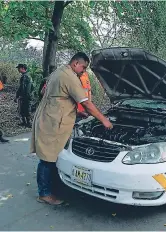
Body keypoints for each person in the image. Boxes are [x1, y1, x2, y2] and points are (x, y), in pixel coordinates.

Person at [31, 52, 113, 205]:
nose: (84, 71)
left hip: (48, 116)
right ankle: (45, 194)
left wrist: (73, 110)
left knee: (51, 156)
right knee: (48, 159)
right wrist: (104, 120)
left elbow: (45, 92)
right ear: (75, 63)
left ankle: (54, 188)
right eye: (83, 67)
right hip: (54, 121)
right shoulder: (70, 76)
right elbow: (87, 103)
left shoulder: (58, 72)